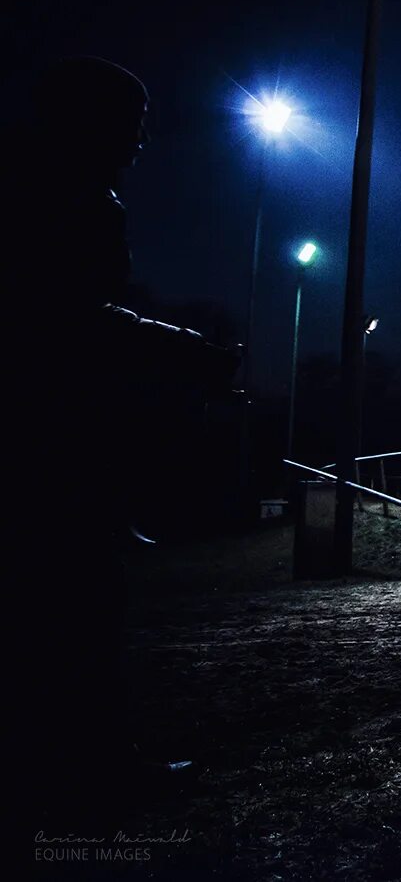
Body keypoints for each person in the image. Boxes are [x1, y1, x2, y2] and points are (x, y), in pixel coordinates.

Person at [26, 56, 241, 822]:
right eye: (134, 123)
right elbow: (73, 323)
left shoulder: (49, 191)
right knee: (78, 602)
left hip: (54, 434)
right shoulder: (75, 202)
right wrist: (187, 352)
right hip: (51, 443)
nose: (143, 140)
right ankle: (93, 769)